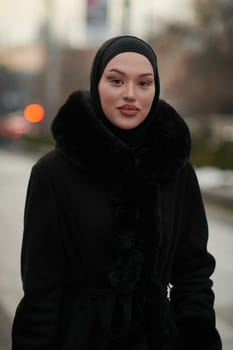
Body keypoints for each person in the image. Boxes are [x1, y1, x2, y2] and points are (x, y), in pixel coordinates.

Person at [12, 35, 222, 350]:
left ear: (156, 89)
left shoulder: (176, 170)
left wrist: (195, 335)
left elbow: (193, 274)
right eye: (116, 80)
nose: (130, 95)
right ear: (97, 84)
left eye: (144, 83)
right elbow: (41, 290)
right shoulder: (53, 174)